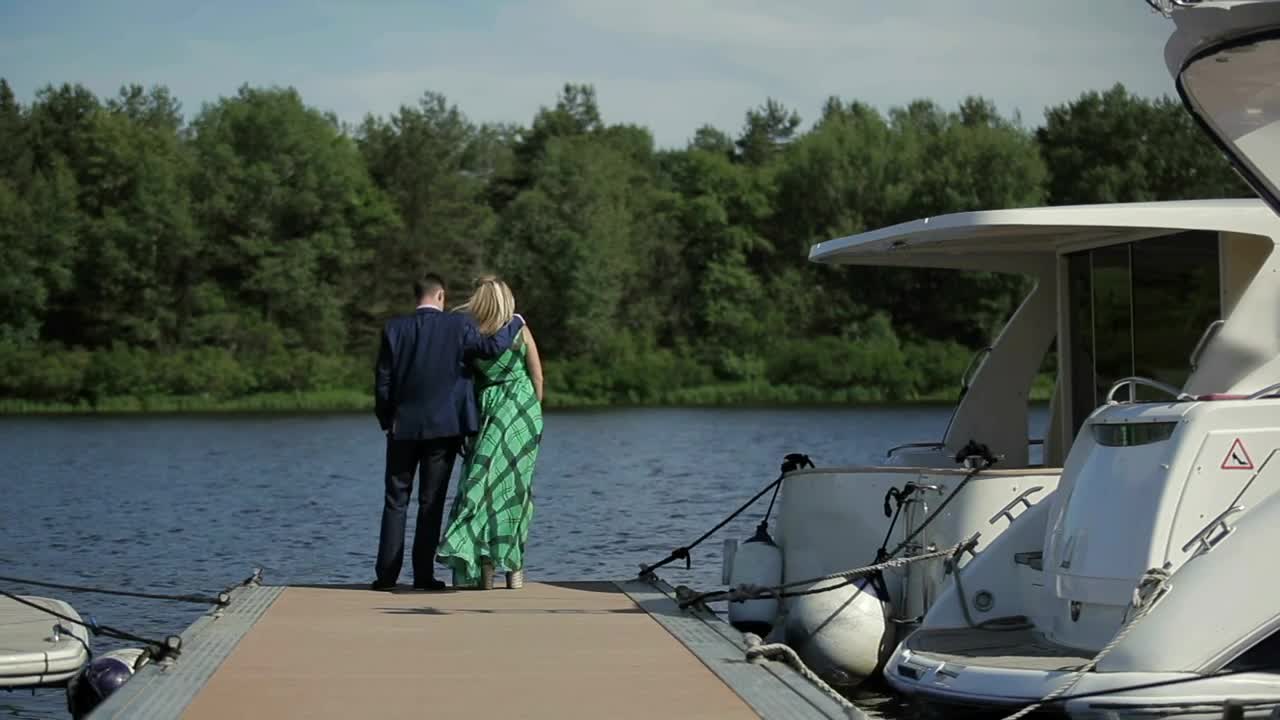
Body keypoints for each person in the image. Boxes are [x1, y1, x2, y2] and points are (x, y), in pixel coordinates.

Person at [372, 273, 525, 591]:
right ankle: (423, 576)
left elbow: (383, 383)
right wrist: (515, 321)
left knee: (395, 500)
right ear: (441, 295)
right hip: (445, 429)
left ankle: (386, 576)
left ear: (418, 296)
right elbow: (492, 348)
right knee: (431, 503)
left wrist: (388, 420)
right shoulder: (459, 326)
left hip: (403, 428)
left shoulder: (394, 329)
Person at [437, 276, 544, 590]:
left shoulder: (471, 335)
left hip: (489, 413)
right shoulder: (520, 330)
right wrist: (534, 415)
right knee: (516, 491)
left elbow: (466, 383)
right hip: (524, 412)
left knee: (480, 486)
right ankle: (515, 568)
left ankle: (484, 567)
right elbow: (537, 376)